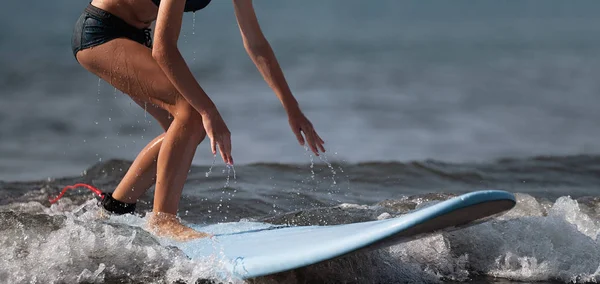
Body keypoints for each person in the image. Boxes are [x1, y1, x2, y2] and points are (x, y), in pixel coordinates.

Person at [71, 0, 326, 241]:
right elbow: (164, 50)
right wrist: (209, 111)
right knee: (191, 115)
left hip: (137, 35)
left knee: (182, 131)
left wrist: (292, 107)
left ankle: (115, 210)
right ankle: (163, 221)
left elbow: (256, 43)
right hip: (102, 33)